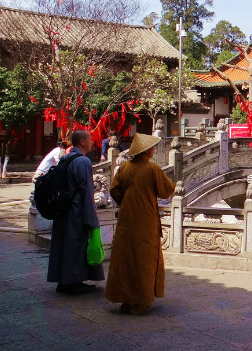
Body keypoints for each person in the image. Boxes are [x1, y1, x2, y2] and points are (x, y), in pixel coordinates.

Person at [106, 133, 175, 315]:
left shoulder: (123, 168)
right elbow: (166, 191)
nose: (153, 150)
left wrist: (128, 202)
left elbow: (114, 191)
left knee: (126, 258)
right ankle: (141, 302)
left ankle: (125, 300)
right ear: (146, 151)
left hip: (126, 220)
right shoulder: (153, 169)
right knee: (143, 259)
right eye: (152, 148)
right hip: (145, 220)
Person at [47, 129, 105, 294]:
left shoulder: (65, 158)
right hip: (77, 210)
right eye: (90, 140)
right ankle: (73, 282)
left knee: (64, 245)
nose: (92, 143)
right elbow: (86, 192)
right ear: (82, 142)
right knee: (76, 246)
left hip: (63, 209)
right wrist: (91, 218)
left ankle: (63, 280)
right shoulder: (83, 162)